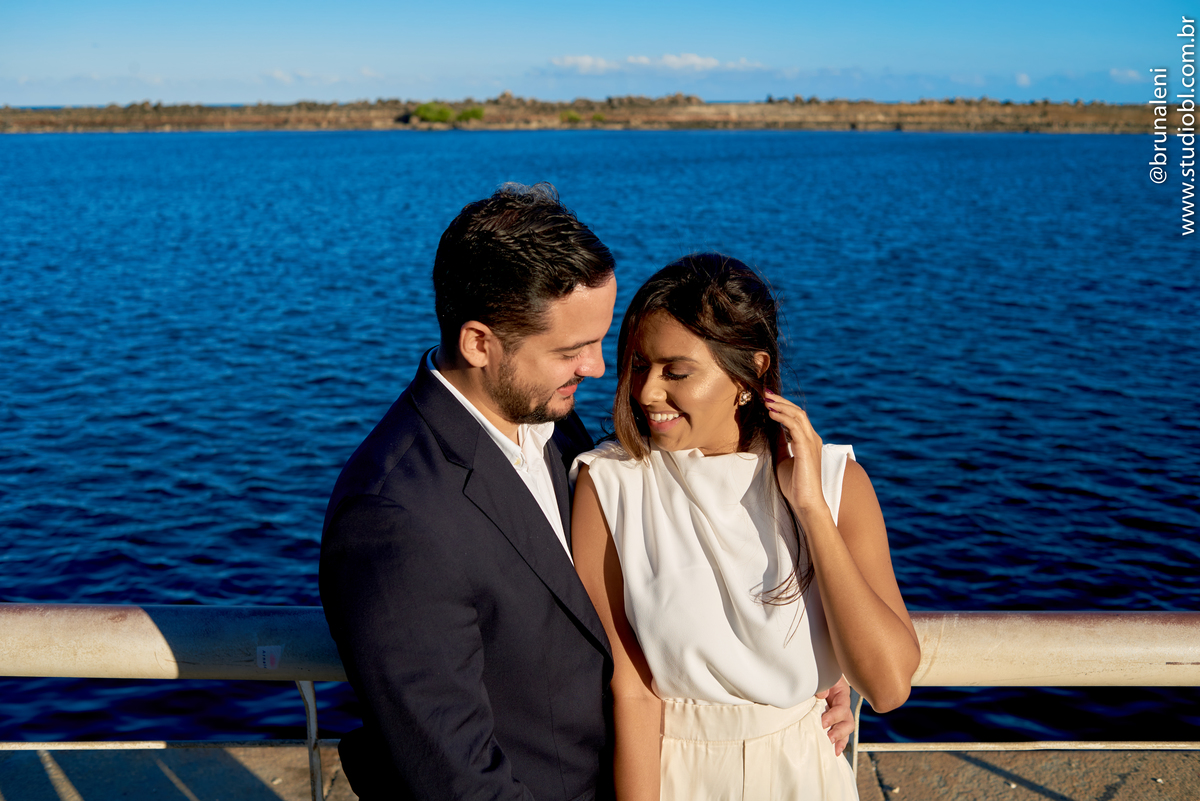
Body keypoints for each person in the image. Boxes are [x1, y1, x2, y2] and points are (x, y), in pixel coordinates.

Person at [320, 184, 855, 800]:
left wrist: (791, 670)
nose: (600, 370)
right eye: (571, 350)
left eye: (601, 341)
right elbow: (454, 777)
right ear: (478, 342)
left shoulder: (551, 422)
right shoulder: (394, 514)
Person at [571, 253, 921, 800]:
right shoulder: (610, 486)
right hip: (675, 775)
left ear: (750, 372)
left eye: (675, 371)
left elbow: (888, 685)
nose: (645, 392)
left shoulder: (835, 483)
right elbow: (634, 695)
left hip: (804, 773)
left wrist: (810, 511)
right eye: (639, 364)